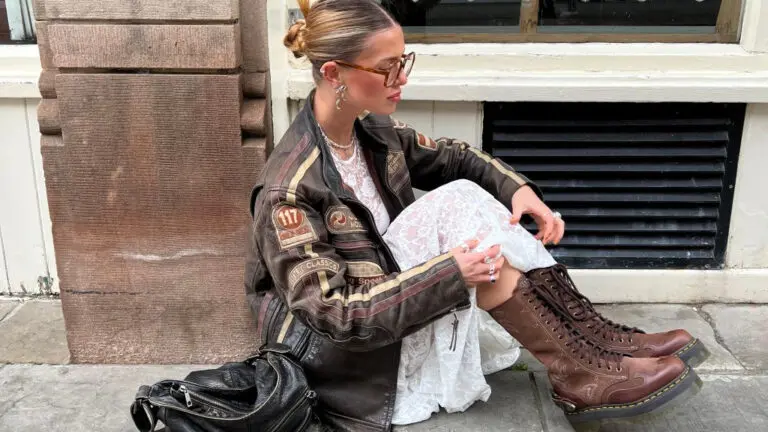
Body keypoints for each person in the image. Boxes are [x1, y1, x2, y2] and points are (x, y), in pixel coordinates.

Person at [244, 1, 709, 430]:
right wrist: (448, 273)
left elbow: (453, 157)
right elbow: (335, 314)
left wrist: (519, 190)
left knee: (463, 198)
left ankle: (594, 346)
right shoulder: (289, 190)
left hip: (393, 301)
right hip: (347, 362)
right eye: (387, 68)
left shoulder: (371, 133)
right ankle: (580, 365)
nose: (400, 78)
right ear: (333, 73)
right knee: (458, 208)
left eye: (403, 62)